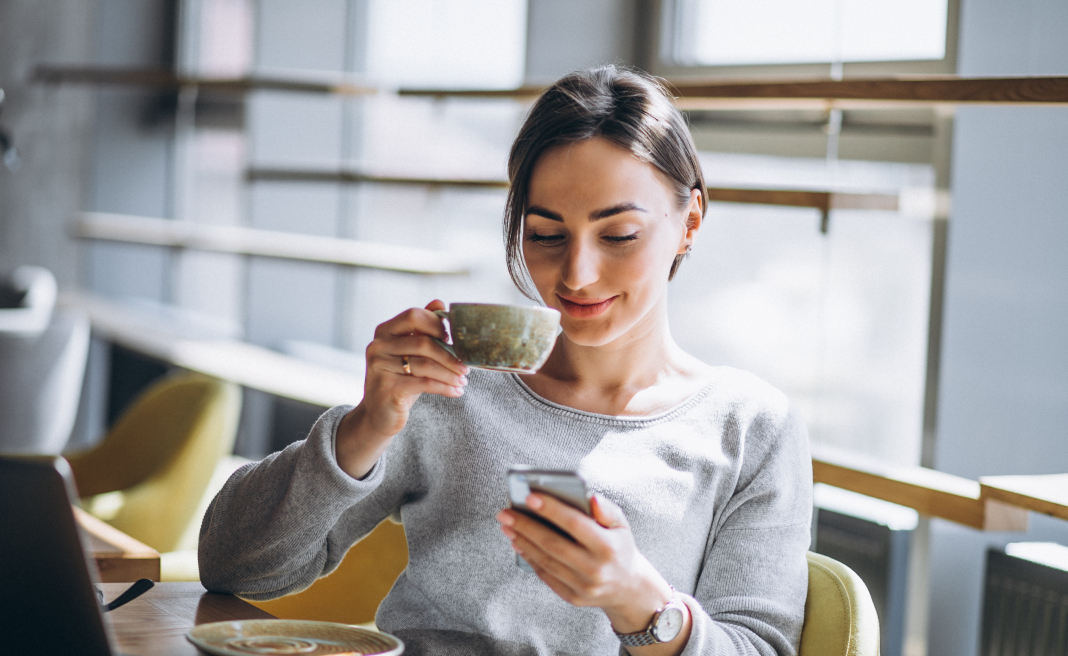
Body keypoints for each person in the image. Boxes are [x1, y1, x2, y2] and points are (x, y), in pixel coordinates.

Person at [199, 66, 812, 656]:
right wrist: (363, 428)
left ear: (690, 222)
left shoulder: (750, 428)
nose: (577, 274)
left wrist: (639, 602)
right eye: (546, 234)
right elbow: (231, 564)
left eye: (619, 235)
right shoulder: (453, 386)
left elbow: (758, 646)